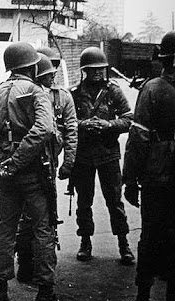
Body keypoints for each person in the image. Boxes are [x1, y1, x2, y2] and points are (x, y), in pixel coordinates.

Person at [0, 42, 62, 301]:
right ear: (31, 65)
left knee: (5, 226)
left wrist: (2, 163)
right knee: (42, 228)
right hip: (34, 171)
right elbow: (43, 130)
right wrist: (17, 161)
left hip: (6, 173)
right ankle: (45, 291)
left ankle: (0, 287)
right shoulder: (36, 92)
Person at [122, 30, 175, 301]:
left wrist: (130, 180)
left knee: (152, 234)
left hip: (160, 174)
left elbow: (138, 137)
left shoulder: (154, 90)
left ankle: (143, 299)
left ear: (163, 57)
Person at [15, 50, 78, 283]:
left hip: (49, 163)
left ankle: (36, 266)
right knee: (31, 218)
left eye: (54, 69)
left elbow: (71, 129)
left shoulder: (63, 97)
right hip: (29, 164)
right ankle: (26, 263)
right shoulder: (28, 94)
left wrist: (68, 162)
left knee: (45, 216)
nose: (52, 75)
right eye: (48, 70)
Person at [70, 47, 134, 265]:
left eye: (101, 69)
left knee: (115, 201)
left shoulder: (113, 91)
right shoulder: (75, 93)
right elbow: (66, 122)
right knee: (84, 201)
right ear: (85, 70)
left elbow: (128, 119)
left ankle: (124, 244)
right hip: (84, 155)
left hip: (108, 154)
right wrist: (83, 125)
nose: (98, 73)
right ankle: (85, 242)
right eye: (93, 69)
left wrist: (108, 125)